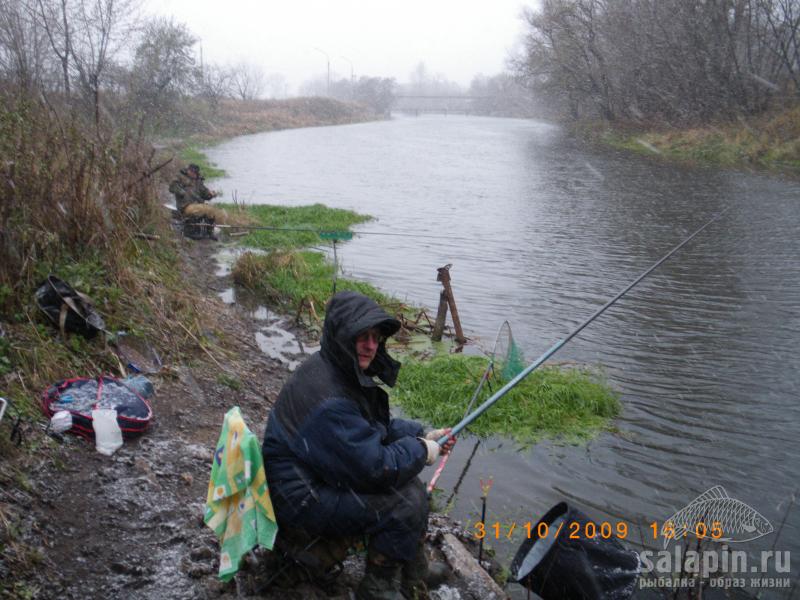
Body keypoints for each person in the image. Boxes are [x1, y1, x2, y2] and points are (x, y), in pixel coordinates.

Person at [262, 291, 456, 599]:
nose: (370, 345)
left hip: (308, 478)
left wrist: (421, 435)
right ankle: (378, 588)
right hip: (298, 499)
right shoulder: (329, 396)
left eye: (376, 338)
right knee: (403, 502)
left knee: (412, 488)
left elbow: (369, 430)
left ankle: (412, 573)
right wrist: (420, 450)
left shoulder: (337, 369)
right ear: (342, 336)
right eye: (361, 336)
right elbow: (375, 467)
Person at [169, 163, 219, 239]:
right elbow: (172, 187)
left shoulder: (198, 181)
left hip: (197, 205)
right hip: (185, 206)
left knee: (211, 210)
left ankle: (209, 232)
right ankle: (190, 232)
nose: (194, 174)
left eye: (195, 173)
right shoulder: (180, 177)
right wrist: (181, 191)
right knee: (198, 210)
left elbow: (205, 194)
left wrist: (211, 194)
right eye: (192, 172)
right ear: (189, 171)